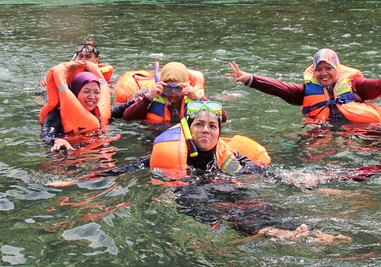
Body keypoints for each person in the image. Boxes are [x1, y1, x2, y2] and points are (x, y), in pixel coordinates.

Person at [49, 101, 350, 243]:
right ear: (188, 129)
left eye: (212, 126)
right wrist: (77, 179)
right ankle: (272, 233)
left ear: (219, 132)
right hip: (188, 192)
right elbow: (125, 170)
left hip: (223, 186)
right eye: (200, 125)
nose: (206, 130)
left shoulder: (229, 155)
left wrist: (309, 185)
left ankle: (305, 230)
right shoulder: (171, 154)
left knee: (253, 202)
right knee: (212, 203)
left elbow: (269, 175)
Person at [227, 48, 381, 124]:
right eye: (319, 69)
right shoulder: (305, 91)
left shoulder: (355, 86)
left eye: (328, 68)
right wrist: (249, 78)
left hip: (356, 132)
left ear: (337, 68)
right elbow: (278, 87)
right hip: (321, 132)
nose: (324, 73)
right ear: (314, 71)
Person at [40, 65, 135, 152]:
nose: (92, 97)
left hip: (94, 146)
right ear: (74, 93)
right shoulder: (56, 115)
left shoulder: (97, 110)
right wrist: (56, 140)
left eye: (96, 92)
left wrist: (134, 101)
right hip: (68, 150)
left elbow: (113, 112)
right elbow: (46, 134)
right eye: (86, 91)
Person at [121, 62, 221, 123]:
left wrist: (199, 99)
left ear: (187, 86)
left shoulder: (194, 98)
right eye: (168, 89)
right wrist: (148, 98)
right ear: (161, 86)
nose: (173, 93)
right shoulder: (152, 98)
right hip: (154, 137)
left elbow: (222, 117)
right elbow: (126, 117)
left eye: (178, 88)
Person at [38, 41, 113, 87]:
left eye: (88, 57)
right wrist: (48, 82)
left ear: (97, 60)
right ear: (76, 59)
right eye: (80, 56)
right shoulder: (66, 74)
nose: (83, 60)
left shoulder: (107, 82)